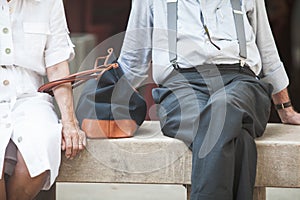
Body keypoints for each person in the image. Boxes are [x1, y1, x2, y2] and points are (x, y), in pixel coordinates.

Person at [118, 0, 300, 199]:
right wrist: (112, 105)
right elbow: (132, 61)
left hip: (241, 83)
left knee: (223, 107)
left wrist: (285, 109)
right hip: (181, 88)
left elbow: (267, 51)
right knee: (238, 138)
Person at [0, 0, 86, 199]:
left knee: (42, 148)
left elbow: (56, 65)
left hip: (30, 98)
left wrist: (69, 121)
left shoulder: (50, 2)